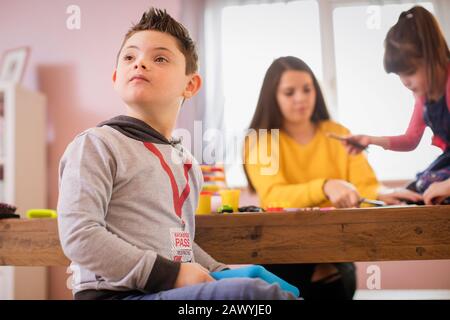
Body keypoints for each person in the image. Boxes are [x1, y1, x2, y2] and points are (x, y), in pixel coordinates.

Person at [57, 8, 295, 300]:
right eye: (130, 57)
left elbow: (179, 245)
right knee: (252, 296)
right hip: (112, 296)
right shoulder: (96, 145)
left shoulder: (188, 165)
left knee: (263, 292)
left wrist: (223, 272)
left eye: (159, 58)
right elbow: (80, 236)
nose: (140, 63)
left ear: (190, 84)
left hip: (161, 292)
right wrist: (173, 275)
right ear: (117, 77)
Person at [243, 56, 422, 299]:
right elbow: (274, 195)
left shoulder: (338, 134)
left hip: (334, 250)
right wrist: (326, 186)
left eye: (308, 89)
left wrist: (382, 195)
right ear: (272, 97)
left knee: (334, 277)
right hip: (283, 250)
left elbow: (364, 184)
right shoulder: (260, 140)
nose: (301, 98)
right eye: (289, 92)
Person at [343, 6, 450, 200]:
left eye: (410, 73)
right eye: (400, 75)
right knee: (416, 189)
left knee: (431, 186)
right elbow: (410, 139)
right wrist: (370, 140)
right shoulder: (425, 95)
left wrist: (446, 186)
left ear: (433, 56)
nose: (405, 82)